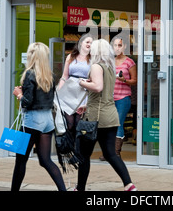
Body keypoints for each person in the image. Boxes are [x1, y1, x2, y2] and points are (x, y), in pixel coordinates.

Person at [76, 39, 137, 191]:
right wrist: (86, 105)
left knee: (84, 155)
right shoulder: (110, 67)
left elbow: (97, 87)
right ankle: (129, 184)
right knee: (111, 154)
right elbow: (103, 91)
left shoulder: (96, 66)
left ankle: (80, 188)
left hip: (97, 118)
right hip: (110, 115)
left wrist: (82, 83)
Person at [11, 42, 66, 191]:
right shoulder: (50, 75)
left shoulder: (29, 74)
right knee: (45, 160)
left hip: (32, 121)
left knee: (20, 161)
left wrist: (19, 94)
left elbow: (27, 102)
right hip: (48, 120)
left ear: (32, 56)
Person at [57, 33, 93, 138]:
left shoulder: (92, 59)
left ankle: (77, 151)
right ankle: (69, 148)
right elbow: (64, 76)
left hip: (83, 93)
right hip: (69, 92)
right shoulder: (71, 56)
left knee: (79, 122)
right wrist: (60, 91)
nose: (89, 44)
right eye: (87, 42)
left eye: (91, 43)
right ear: (81, 43)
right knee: (69, 123)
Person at [112, 37, 137, 157]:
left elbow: (134, 81)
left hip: (123, 97)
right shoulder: (110, 61)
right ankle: (110, 152)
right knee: (110, 124)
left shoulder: (129, 62)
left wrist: (124, 80)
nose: (117, 48)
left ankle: (115, 152)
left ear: (125, 47)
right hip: (110, 98)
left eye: (120, 45)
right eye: (115, 45)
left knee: (118, 123)